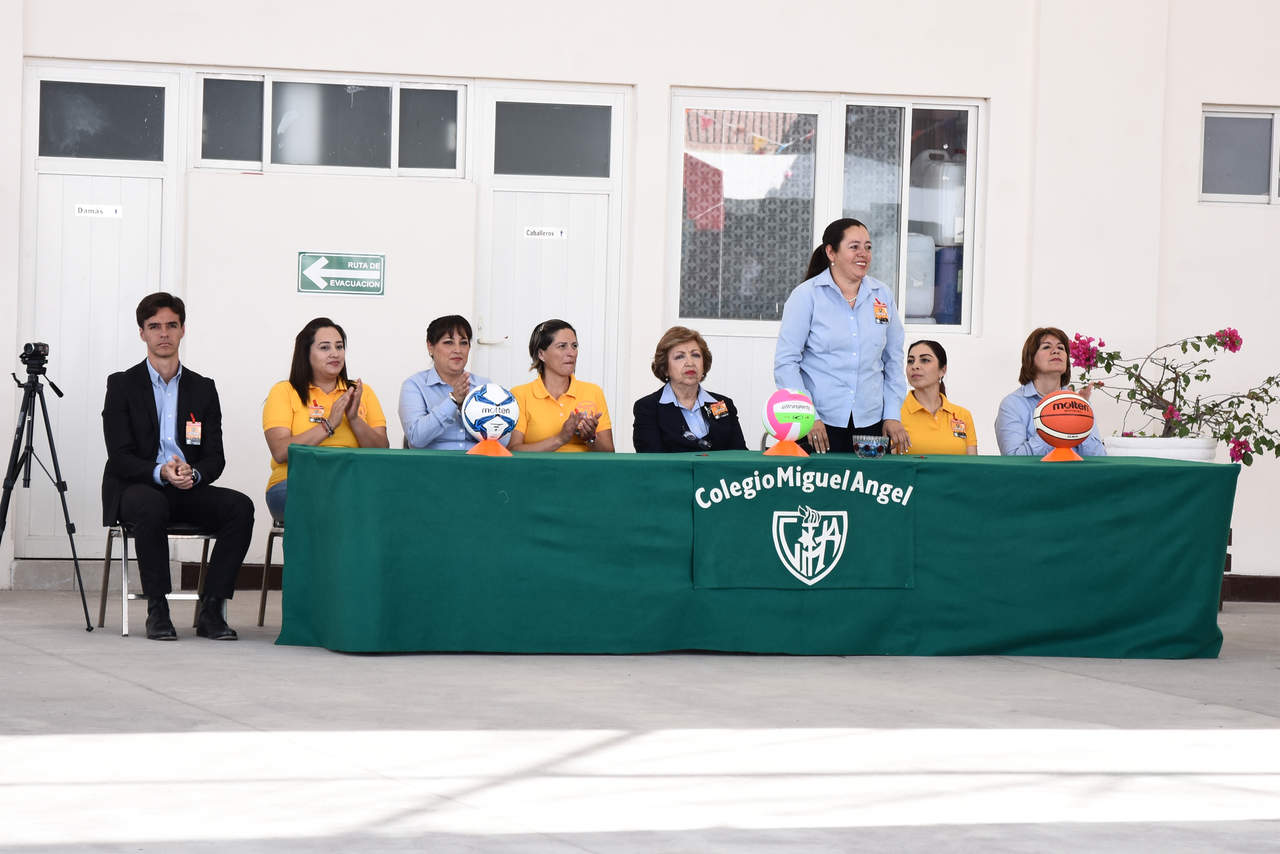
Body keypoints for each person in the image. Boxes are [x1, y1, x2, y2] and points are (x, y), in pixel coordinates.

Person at [101, 292, 254, 642]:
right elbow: (119, 455)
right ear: (142, 333)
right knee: (151, 504)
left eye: (171, 325)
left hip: (185, 488)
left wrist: (193, 473)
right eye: (154, 326)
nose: (164, 333)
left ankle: (211, 610)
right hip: (137, 487)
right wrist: (160, 472)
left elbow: (215, 457)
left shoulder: (203, 388)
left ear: (183, 330)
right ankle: (158, 609)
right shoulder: (122, 385)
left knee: (240, 507)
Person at [775, 217, 909, 454]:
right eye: (854, 247)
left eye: (868, 247)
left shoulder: (882, 295)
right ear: (831, 252)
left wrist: (892, 415)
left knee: (870, 479)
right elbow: (786, 363)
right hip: (819, 425)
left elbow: (893, 360)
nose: (863, 254)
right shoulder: (806, 296)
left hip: (871, 422)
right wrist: (808, 417)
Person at [262, 318, 389, 522]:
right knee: (338, 502)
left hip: (351, 481)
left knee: (391, 498)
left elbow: (381, 451)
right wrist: (328, 425)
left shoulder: (362, 392)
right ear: (306, 353)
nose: (335, 353)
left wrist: (354, 419)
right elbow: (280, 451)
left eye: (339, 346)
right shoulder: (284, 391)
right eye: (324, 347)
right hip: (295, 482)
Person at [633, 326, 747, 453]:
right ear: (665, 368)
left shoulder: (723, 404)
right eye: (679, 357)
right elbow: (651, 460)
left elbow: (740, 455)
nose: (690, 363)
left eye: (696, 355)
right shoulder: (647, 408)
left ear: (704, 364)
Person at [996, 326, 1106, 456]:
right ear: (1030, 358)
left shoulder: (1077, 403)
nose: (1056, 351)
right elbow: (1013, 459)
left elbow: (1098, 457)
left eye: (1061, 348)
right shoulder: (1012, 404)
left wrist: (1080, 419)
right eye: (1046, 347)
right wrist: (1055, 424)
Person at [399, 315, 505, 450]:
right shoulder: (414, 386)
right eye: (449, 342)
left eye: (464, 343)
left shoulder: (484, 386)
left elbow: (504, 442)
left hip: (478, 461)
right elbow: (416, 438)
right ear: (430, 346)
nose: (458, 350)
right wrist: (452, 401)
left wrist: (472, 412)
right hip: (433, 462)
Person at [509, 319, 614, 453]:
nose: (571, 353)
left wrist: (590, 438)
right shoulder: (520, 395)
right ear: (541, 354)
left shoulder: (593, 391)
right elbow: (513, 451)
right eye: (562, 346)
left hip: (583, 467)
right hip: (540, 467)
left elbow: (609, 453)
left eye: (574, 346)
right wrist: (560, 439)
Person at [899, 340, 978, 455]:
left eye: (925, 360)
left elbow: (972, 463)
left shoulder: (963, 415)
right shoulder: (895, 415)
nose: (915, 366)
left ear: (942, 370)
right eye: (910, 361)